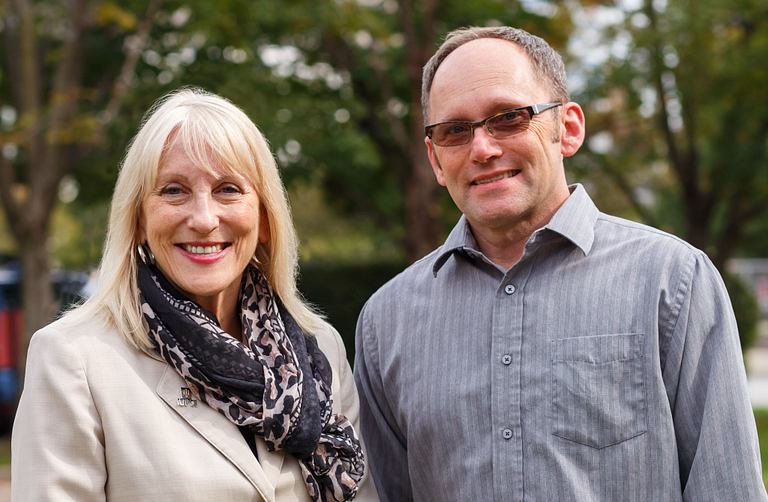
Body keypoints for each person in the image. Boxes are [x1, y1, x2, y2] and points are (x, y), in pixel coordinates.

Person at [354, 26, 767, 501]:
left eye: (508, 117)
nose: (482, 149)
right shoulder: (386, 322)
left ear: (567, 129)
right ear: (435, 158)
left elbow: (728, 490)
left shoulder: (672, 281)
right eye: (454, 131)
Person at [12, 88, 379, 502]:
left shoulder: (322, 350)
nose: (204, 219)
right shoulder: (73, 359)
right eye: (173, 190)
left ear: (264, 218)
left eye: (228, 189)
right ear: (138, 220)